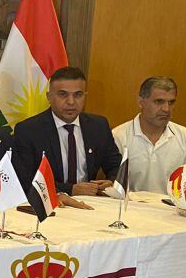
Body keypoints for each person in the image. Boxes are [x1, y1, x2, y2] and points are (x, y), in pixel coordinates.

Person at [12, 66, 122, 196]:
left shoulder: (98, 126)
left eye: (78, 95)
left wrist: (111, 181)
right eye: (63, 94)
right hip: (50, 204)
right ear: (49, 97)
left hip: (90, 203)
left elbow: (117, 167)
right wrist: (70, 189)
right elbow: (25, 180)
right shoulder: (29, 130)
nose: (71, 102)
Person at [111, 77, 186, 194]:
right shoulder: (119, 136)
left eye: (171, 102)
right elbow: (113, 185)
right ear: (141, 102)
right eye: (159, 101)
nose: (166, 109)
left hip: (171, 209)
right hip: (131, 208)